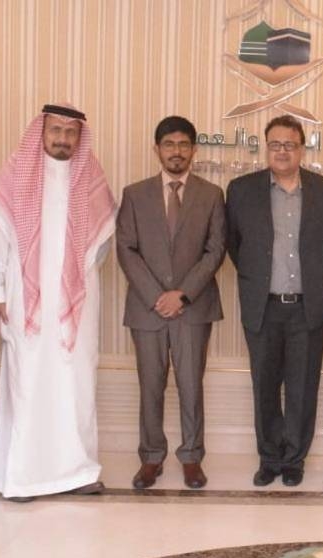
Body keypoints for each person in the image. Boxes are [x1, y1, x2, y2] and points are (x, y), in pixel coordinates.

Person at [0, 103, 117, 501]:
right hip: (25, 302)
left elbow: (102, 244)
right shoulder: (15, 177)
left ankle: (79, 472)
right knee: (27, 381)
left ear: (80, 136)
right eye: (55, 130)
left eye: (70, 131)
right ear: (41, 132)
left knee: (77, 384)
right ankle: (23, 477)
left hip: (77, 304)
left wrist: (75, 278)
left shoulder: (90, 176)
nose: (62, 138)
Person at [226, 114, 323, 488]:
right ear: (265, 146)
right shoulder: (241, 190)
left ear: (302, 149)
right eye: (274, 144)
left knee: (302, 386)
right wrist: (255, 278)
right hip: (262, 304)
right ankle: (269, 458)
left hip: (308, 306)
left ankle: (294, 459)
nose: (281, 151)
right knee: (264, 384)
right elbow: (234, 244)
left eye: (289, 145)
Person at [117, 116, 226, 490]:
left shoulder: (211, 194)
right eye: (169, 144)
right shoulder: (135, 194)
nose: (176, 151)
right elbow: (126, 249)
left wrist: (182, 294)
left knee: (190, 384)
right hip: (147, 309)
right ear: (157, 149)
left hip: (193, 307)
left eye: (183, 144)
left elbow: (215, 251)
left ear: (194, 150)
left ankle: (192, 457)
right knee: (150, 385)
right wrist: (156, 297)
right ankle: (151, 458)